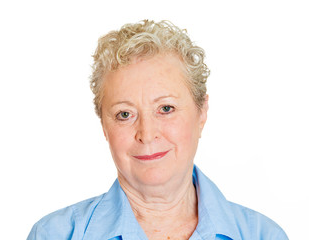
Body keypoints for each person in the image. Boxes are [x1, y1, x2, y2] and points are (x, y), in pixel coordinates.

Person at [27, 20, 288, 240]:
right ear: (104, 127)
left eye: (166, 108)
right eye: (125, 114)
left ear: (202, 112)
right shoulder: (55, 234)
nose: (147, 134)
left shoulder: (263, 234)